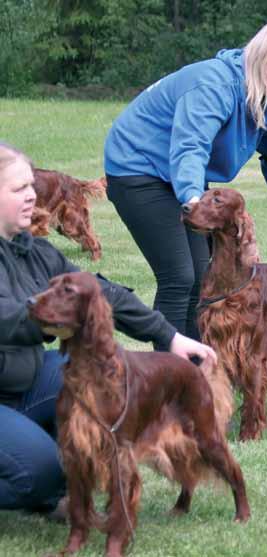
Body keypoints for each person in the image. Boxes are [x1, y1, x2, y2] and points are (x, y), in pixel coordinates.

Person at [0, 142, 216, 517]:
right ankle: (40, 477)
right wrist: (62, 321)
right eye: (19, 189)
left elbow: (98, 290)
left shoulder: (34, 251)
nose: (33, 195)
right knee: (44, 475)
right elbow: (11, 318)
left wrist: (168, 335)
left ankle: (51, 463)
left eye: (31, 185)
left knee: (108, 384)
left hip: (24, 383)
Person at [103, 19, 267, 344]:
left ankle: (199, 371)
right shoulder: (215, 85)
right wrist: (195, 200)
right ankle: (170, 380)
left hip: (181, 176)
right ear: (256, 55)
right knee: (179, 276)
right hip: (136, 166)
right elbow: (190, 147)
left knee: (203, 277)